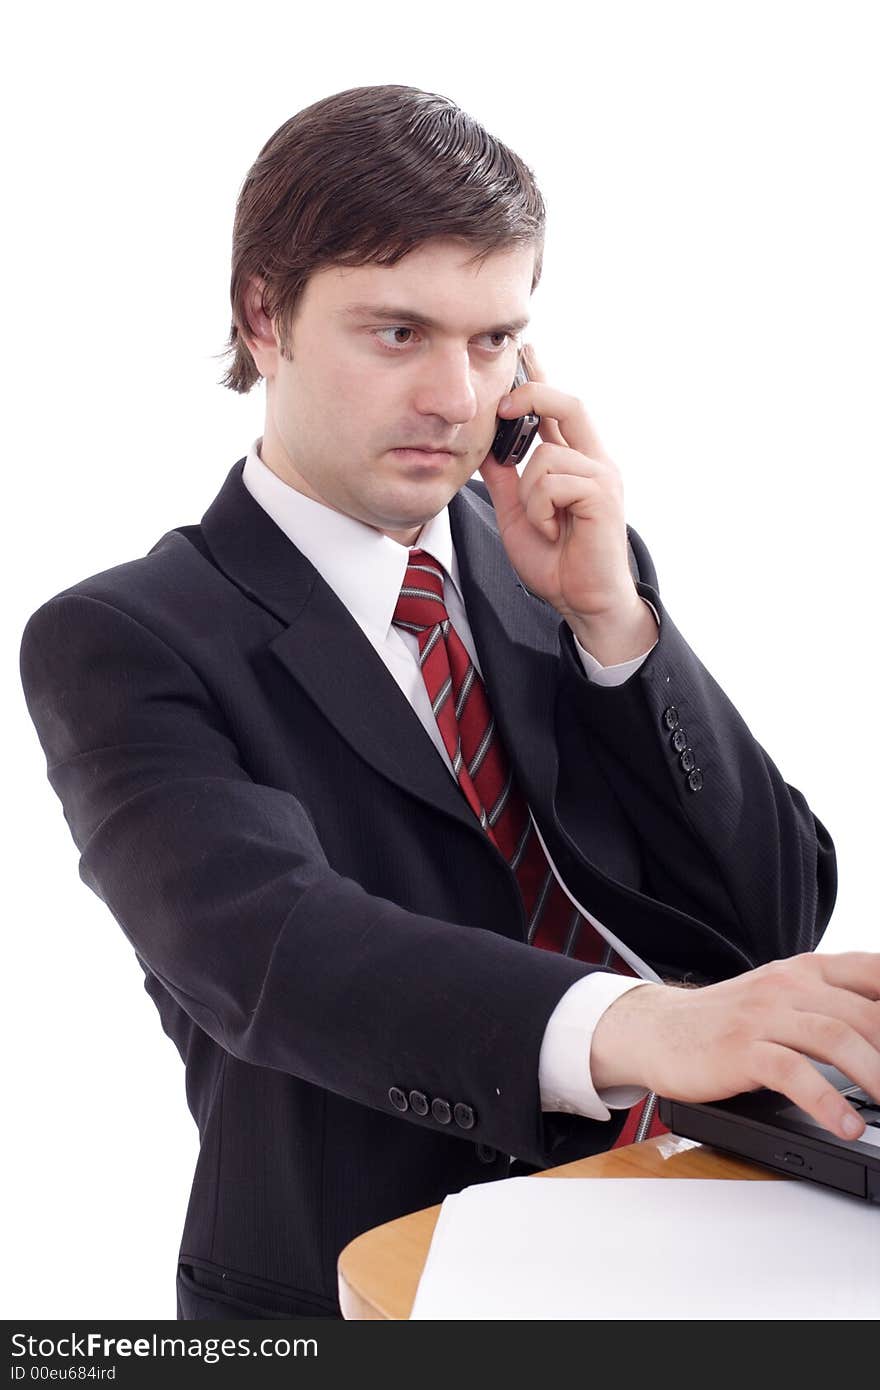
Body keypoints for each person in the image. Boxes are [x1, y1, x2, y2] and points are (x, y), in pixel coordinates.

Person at [19, 84, 876, 1323]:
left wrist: (615, 626)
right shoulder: (126, 637)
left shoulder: (544, 560)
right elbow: (271, 952)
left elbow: (774, 913)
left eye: (492, 341)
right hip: (368, 1276)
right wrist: (644, 1029)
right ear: (265, 316)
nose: (456, 398)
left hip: (697, 1219)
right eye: (398, 333)